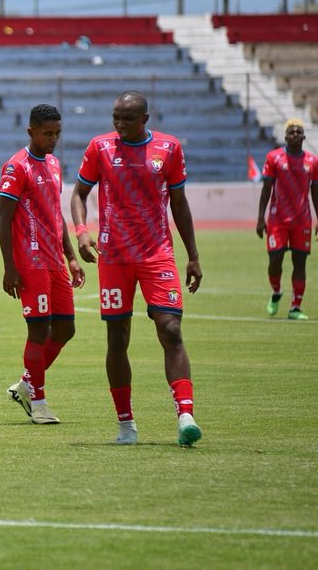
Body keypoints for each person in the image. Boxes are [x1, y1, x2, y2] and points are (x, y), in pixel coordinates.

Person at [70, 90, 203, 447]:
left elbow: (179, 202)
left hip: (157, 254)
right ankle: (125, 423)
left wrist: (192, 254)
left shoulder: (169, 149)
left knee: (171, 329)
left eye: (127, 118)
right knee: (117, 338)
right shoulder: (100, 148)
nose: (119, 125)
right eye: (115, 117)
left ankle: (185, 415)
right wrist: (82, 233)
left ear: (144, 119)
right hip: (114, 258)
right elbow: (79, 194)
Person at [0, 104, 85, 425]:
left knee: (66, 328)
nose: (53, 139)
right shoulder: (16, 167)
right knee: (38, 330)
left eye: (57, 133)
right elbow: (4, 221)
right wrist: (9, 267)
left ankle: (25, 384)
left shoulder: (54, 164)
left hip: (54, 262)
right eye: (47, 133)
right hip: (29, 261)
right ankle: (39, 402)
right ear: (30, 132)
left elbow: (54, 213)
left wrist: (72, 256)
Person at [256, 119, 318, 320]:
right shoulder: (274, 158)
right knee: (275, 260)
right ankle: (276, 291)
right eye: (292, 132)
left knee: (299, 263)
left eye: (299, 132)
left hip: (302, 220)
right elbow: (266, 189)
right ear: (285, 136)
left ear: (304, 136)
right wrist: (260, 217)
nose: (295, 135)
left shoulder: (312, 161)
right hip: (277, 220)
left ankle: (295, 307)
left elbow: (315, 193)